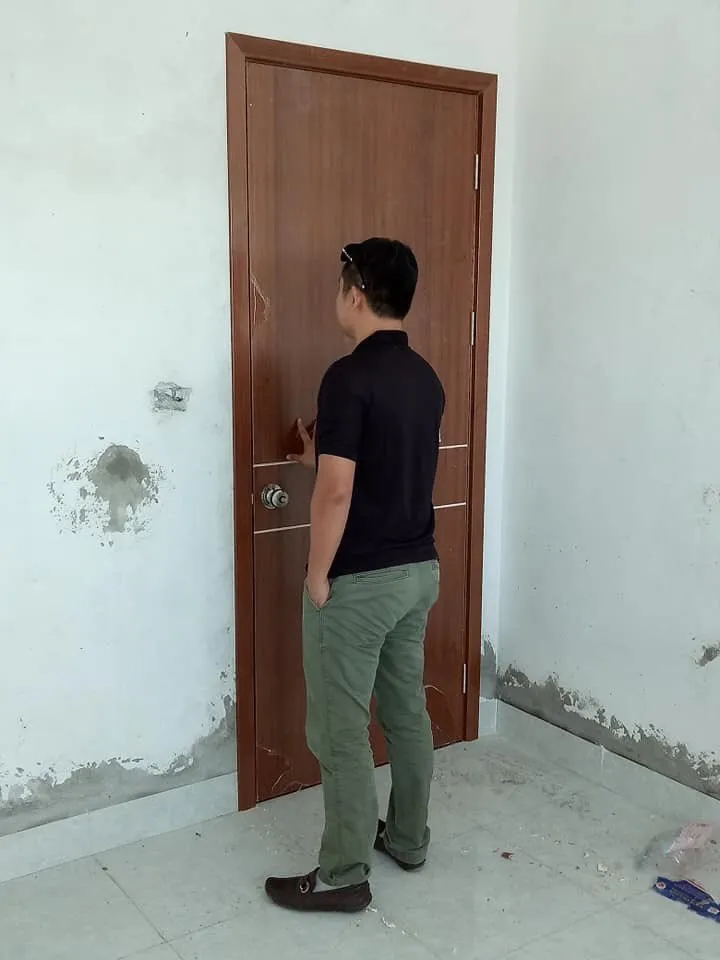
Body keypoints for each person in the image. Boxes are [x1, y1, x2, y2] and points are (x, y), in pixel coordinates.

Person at [265, 238, 445, 913]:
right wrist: (321, 456)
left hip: (362, 584)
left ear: (357, 293)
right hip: (418, 571)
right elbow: (384, 469)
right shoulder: (425, 378)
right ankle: (409, 838)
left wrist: (318, 576)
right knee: (405, 713)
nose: (337, 298)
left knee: (339, 730)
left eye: (341, 286)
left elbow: (338, 493)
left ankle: (342, 875)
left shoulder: (347, 377)